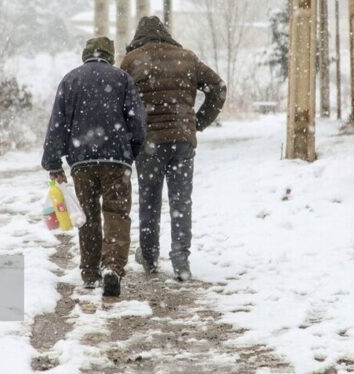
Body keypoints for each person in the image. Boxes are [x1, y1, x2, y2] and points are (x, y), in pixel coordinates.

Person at [121, 16, 226, 282]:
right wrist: (197, 122)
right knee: (181, 201)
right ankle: (181, 261)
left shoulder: (133, 61)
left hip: (149, 145)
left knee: (150, 200)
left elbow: (121, 102)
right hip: (182, 142)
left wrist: (131, 133)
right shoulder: (187, 58)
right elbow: (218, 87)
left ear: (138, 37)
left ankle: (150, 256)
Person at [42, 36, 147, 297]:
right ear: (110, 56)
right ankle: (112, 266)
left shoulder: (70, 80)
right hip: (117, 160)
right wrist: (130, 153)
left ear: (85, 54)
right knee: (117, 213)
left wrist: (53, 162)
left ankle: (89, 272)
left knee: (87, 215)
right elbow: (138, 123)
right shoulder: (122, 79)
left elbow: (58, 124)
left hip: (82, 162)